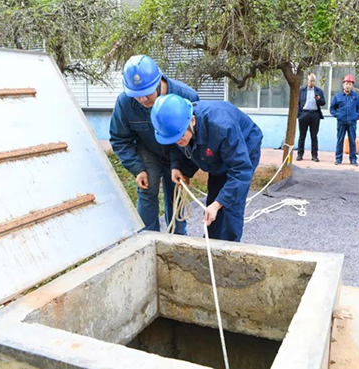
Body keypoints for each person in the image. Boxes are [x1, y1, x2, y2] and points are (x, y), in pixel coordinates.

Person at [151, 94, 263, 242]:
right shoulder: (176, 127)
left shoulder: (222, 126)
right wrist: (177, 167)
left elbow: (241, 171)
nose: (177, 141)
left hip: (244, 147)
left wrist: (218, 204)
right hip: (213, 150)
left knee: (230, 205)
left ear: (192, 120)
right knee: (214, 196)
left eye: (180, 136)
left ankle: (229, 250)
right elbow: (176, 147)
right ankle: (211, 243)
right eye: (172, 138)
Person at [110, 55, 199, 233]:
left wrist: (186, 168)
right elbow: (120, 139)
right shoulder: (124, 103)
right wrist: (137, 168)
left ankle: (177, 239)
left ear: (158, 81)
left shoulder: (186, 96)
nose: (142, 100)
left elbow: (197, 137)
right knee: (147, 187)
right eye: (137, 95)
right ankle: (148, 240)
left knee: (176, 192)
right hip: (148, 150)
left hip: (178, 151)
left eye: (147, 93)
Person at [330, 74, 359, 166]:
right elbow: (332, 108)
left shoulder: (356, 96)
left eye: (350, 84)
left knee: (352, 141)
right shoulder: (338, 96)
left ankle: (353, 159)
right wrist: (337, 115)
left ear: (352, 86)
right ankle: (338, 159)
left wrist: (357, 116)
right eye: (346, 83)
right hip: (341, 122)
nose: (348, 85)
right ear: (343, 84)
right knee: (340, 141)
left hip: (352, 122)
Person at [296, 73, 326, 162]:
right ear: (307, 80)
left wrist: (319, 99)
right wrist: (299, 115)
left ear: (315, 81)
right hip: (304, 114)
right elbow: (297, 103)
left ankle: (314, 155)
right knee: (302, 136)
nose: (311, 82)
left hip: (315, 114)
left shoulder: (318, 91)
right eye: (310, 80)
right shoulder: (302, 90)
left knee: (314, 136)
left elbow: (323, 103)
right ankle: (300, 154)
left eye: (313, 81)